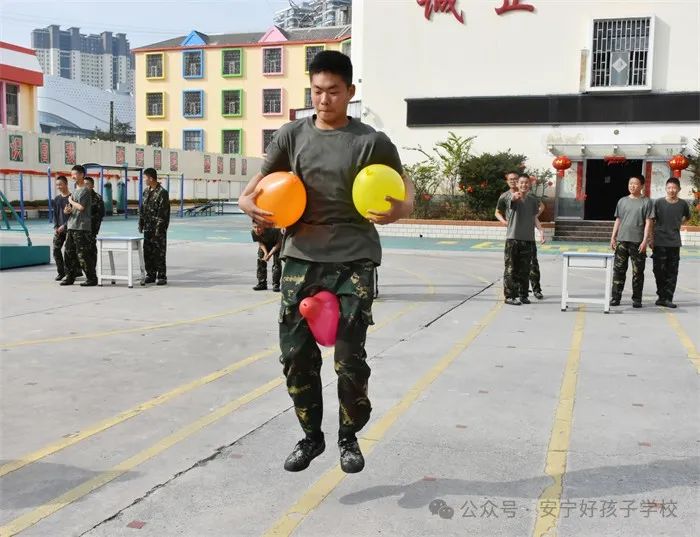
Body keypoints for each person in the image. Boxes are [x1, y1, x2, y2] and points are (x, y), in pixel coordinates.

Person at [238, 51, 414, 474]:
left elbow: (404, 183)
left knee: (348, 357)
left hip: (355, 255)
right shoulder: (291, 136)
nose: (323, 100)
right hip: (301, 254)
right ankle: (311, 437)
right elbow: (259, 183)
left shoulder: (371, 141)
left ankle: (348, 436)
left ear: (350, 92)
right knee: (295, 354)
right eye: (317, 91)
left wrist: (403, 207)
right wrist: (246, 200)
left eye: (333, 91)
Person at [609, 175, 654, 308]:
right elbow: (618, 220)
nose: (632, 186)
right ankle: (615, 297)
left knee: (638, 272)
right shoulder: (622, 201)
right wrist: (613, 237)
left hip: (638, 242)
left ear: (642, 186)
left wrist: (645, 241)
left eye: (635, 183)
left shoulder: (647, 202)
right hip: (622, 240)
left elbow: (648, 222)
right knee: (618, 270)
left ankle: (637, 299)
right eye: (630, 183)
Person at [502, 174, 545, 305]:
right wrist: (514, 198)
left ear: (529, 184)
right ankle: (510, 296)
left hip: (528, 239)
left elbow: (534, 218)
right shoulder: (512, 197)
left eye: (526, 182)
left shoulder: (532, 200)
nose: (523, 185)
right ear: (517, 184)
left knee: (525, 269)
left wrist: (541, 231)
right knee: (511, 268)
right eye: (521, 182)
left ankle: (523, 295)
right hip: (513, 239)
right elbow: (511, 203)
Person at [651, 177, 690, 308]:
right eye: (669, 188)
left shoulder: (683, 204)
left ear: (679, 189)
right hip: (659, 242)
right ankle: (661, 296)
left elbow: (687, 217)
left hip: (674, 243)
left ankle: (668, 298)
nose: (671, 190)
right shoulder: (658, 202)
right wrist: (651, 238)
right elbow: (652, 221)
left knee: (672, 272)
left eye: (674, 188)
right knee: (658, 270)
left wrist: (678, 224)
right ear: (666, 188)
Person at [61, 165, 96, 287]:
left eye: (75, 174)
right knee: (68, 253)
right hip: (72, 225)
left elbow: (81, 207)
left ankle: (91, 278)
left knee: (83, 254)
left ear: (81, 175)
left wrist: (71, 201)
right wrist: (67, 210)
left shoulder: (85, 191)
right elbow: (73, 208)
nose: (73, 177)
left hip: (81, 227)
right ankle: (70, 276)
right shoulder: (75, 191)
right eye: (72, 174)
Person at [139, 168, 170, 286]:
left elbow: (163, 213)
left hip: (158, 229)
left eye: (145, 177)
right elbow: (142, 208)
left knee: (159, 252)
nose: (144, 180)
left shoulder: (162, 192)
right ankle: (150, 274)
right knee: (147, 252)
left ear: (151, 178)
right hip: (148, 228)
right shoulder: (146, 191)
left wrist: (159, 229)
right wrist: (141, 223)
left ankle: (161, 276)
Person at [251, 223, 282, 292]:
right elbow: (260, 242)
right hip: (264, 244)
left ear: (264, 226)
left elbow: (279, 243)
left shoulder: (275, 230)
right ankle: (262, 284)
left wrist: (269, 255)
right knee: (260, 261)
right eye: (255, 227)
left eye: (259, 227)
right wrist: (265, 253)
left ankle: (276, 284)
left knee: (277, 264)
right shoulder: (253, 232)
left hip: (276, 245)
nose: (257, 229)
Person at [52, 176, 71, 281]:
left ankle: (70, 273)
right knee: (56, 250)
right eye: (57, 185)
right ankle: (61, 272)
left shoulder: (72, 198)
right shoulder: (57, 199)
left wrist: (65, 225)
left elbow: (74, 216)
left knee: (68, 252)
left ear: (66, 184)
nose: (58, 187)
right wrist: (56, 226)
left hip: (69, 229)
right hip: (59, 229)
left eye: (60, 184)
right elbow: (55, 214)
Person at [84, 176, 105, 269]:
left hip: (91, 228)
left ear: (92, 186)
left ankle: (92, 267)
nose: (85, 186)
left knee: (91, 248)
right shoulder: (80, 196)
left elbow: (101, 214)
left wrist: (90, 222)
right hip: (80, 228)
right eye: (84, 184)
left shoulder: (97, 197)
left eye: (87, 184)